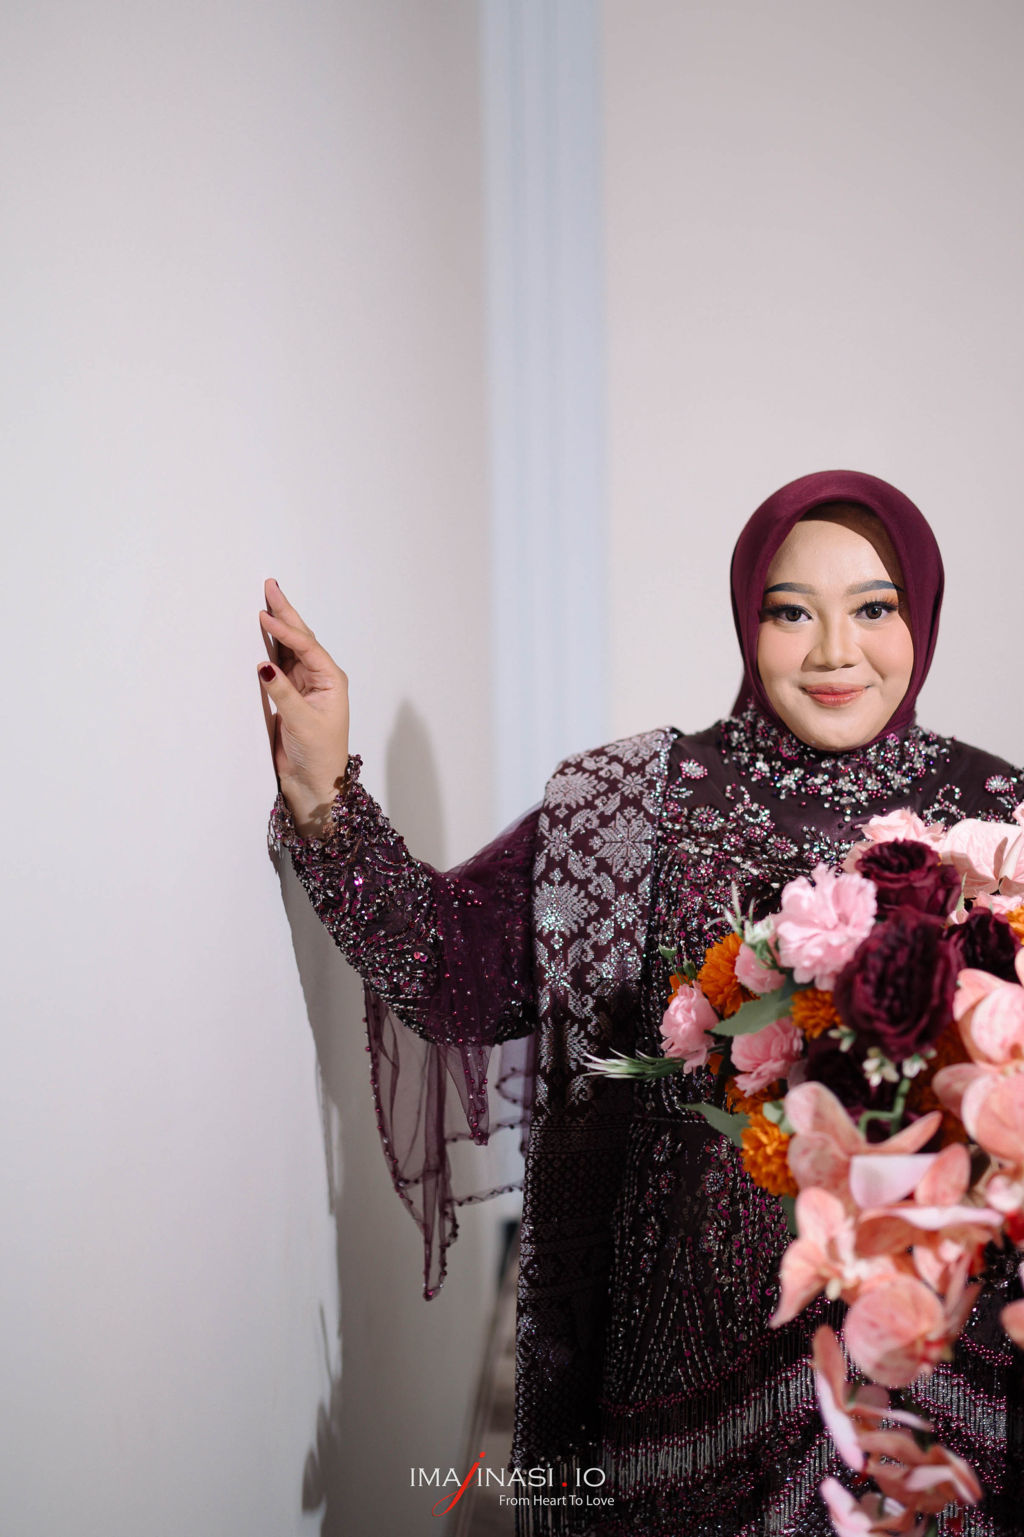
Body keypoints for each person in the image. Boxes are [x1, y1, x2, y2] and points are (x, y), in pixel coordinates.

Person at [260, 470, 1024, 1537]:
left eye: (872, 608)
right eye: (790, 611)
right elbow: (449, 970)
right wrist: (323, 794)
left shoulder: (996, 816)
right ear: (746, 617)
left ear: (922, 615)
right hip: (693, 1370)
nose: (833, 651)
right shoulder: (633, 804)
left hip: (937, 1363)